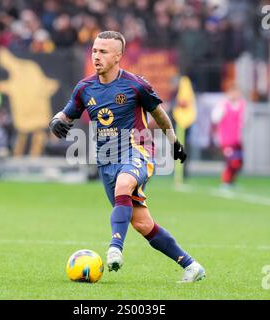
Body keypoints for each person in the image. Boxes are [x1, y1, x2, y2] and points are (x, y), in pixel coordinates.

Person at [49, 31, 205, 283]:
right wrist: (56, 121)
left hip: (138, 151)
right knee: (143, 224)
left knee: (125, 183)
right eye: (94, 51)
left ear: (118, 56)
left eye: (103, 52)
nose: (96, 56)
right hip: (106, 161)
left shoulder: (135, 85)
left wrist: (173, 140)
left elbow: (160, 114)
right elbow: (66, 115)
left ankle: (115, 248)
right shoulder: (84, 88)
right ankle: (191, 265)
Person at [211, 82, 246, 188]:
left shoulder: (242, 105)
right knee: (232, 161)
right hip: (226, 139)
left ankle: (231, 181)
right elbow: (215, 118)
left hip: (237, 139)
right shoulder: (223, 105)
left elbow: (244, 121)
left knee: (239, 162)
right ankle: (226, 181)